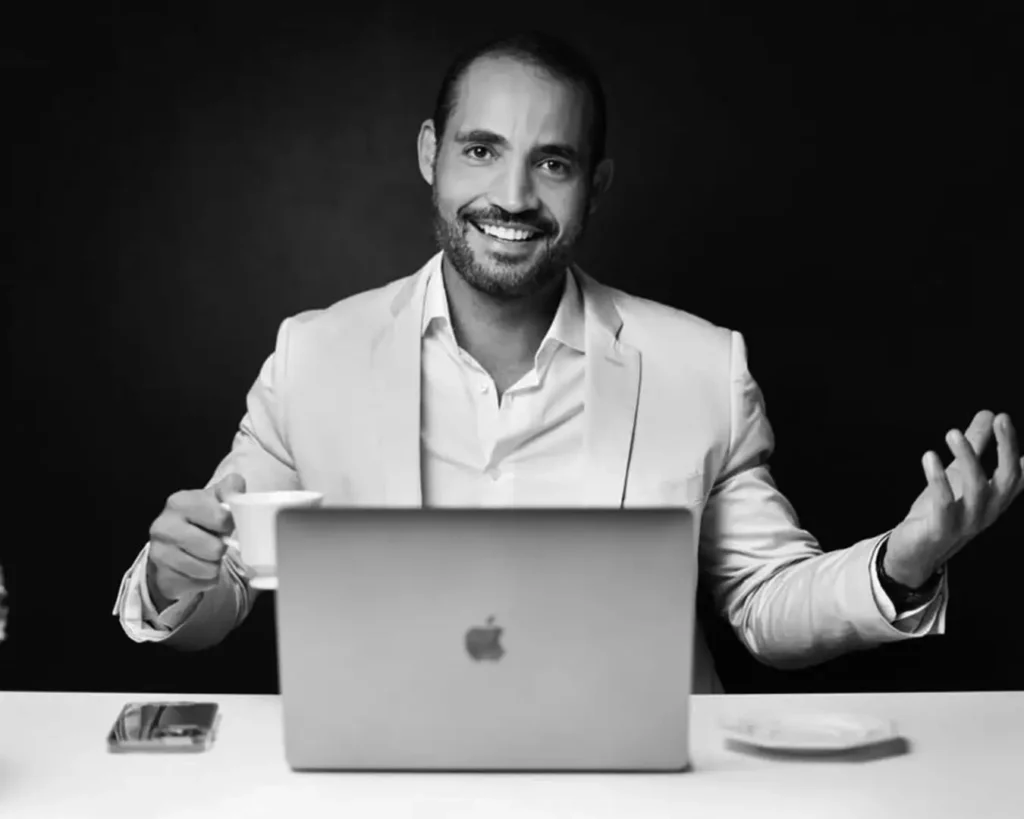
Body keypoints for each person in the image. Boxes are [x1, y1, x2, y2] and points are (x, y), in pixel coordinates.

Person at [112, 30, 1022, 693]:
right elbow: (221, 587)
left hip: (637, 786)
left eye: (552, 163)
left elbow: (763, 600)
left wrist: (900, 562)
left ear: (596, 185)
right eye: (481, 151)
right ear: (431, 155)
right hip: (385, 776)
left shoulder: (701, 365)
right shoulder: (313, 356)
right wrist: (174, 578)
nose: (511, 196)